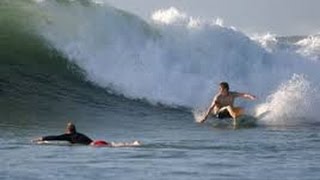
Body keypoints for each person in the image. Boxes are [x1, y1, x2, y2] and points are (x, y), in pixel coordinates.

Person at [32, 122, 109, 146]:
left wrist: (41, 138)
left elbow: (55, 137)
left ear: (68, 129)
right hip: (98, 142)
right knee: (114, 145)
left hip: (95, 145)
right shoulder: (79, 134)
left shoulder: (68, 136)